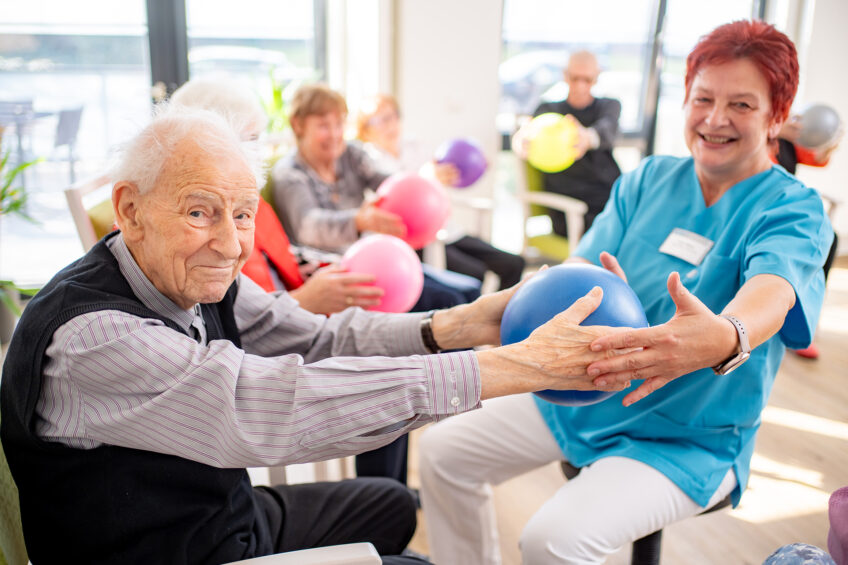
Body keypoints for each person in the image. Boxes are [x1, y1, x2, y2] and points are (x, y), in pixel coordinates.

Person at [0, 103, 625, 564]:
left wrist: (464, 324)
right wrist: (517, 367)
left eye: (242, 214)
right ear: (130, 210)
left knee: (392, 503)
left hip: (217, 514)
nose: (229, 242)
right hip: (167, 553)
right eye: (199, 211)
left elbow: (318, 340)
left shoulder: (200, 274)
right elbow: (277, 408)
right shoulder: (93, 338)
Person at [419, 20, 834, 564]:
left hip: (686, 438)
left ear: (778, 116)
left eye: (742, 105)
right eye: (703, 98)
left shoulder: (792, 208)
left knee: (553, 539)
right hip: (584, 392)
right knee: (443, 451)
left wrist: (724, 335)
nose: (714, 119)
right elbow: (581, 266)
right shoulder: (648, 179)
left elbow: (773, 292)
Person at [270, 84, 481, 485]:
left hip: (380, 264)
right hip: (338, 278)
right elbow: (308, 225)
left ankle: (454, 422)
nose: (333, 134)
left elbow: (391, 180)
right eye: (322, 125)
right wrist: (360, 220)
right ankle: (437, 423)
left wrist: (422, 182)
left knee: (467, 293)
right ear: (298, 126)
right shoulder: (289, 173)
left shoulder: (351, 155)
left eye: (337, 123)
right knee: (449, 307)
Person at [170, 77, 384, 314]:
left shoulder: (253, 204)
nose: (256, 154)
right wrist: (305, 300)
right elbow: (233, 321)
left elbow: (282, 257)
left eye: (256, 140)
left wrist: (332, 269)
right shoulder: (192, 232)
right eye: (249, 139)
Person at [355, 93, 526, 290]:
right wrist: (426, 177)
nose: (389, 124)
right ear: (365, 130)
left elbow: (441, 174)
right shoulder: (365, 160)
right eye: (380, 120)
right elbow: (400, 195)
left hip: (446, 231)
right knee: (475, 272)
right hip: (414, 239)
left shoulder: (413, 145)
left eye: (392, 116)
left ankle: (502, 317)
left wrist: (470, 168)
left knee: (514, 263)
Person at [512, 49, 621, 236]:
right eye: (574, 78)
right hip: (570, 207)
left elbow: (607, 129)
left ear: (596, 78)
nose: (580, 85)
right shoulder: (547, 110)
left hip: (610, 197)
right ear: (565, 75)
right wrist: (519, 141)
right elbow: (525, 134)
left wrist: (586, 137)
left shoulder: (608, 106)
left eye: (587, 79)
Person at [773, 110, 842, 359]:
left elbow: (818, 158)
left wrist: (831, 142)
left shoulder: (791, 139)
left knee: (829, 240)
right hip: (762, 210)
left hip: (783, 209)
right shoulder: (760, 137)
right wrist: (774, 130)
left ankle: (804, 321)